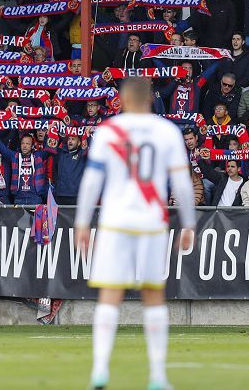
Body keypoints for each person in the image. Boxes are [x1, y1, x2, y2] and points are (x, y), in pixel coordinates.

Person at [74, 77, 196, 390]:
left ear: (123, 100)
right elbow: (182, 184)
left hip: (115, 220)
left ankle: (99, 371)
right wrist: (189, 223)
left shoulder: (108, 131)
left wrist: (82, 222)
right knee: (154, 295)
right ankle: (157, 376)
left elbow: (91, 182)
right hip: (152, 222)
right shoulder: (168, 131)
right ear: (151, 100)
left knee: (110, 294)